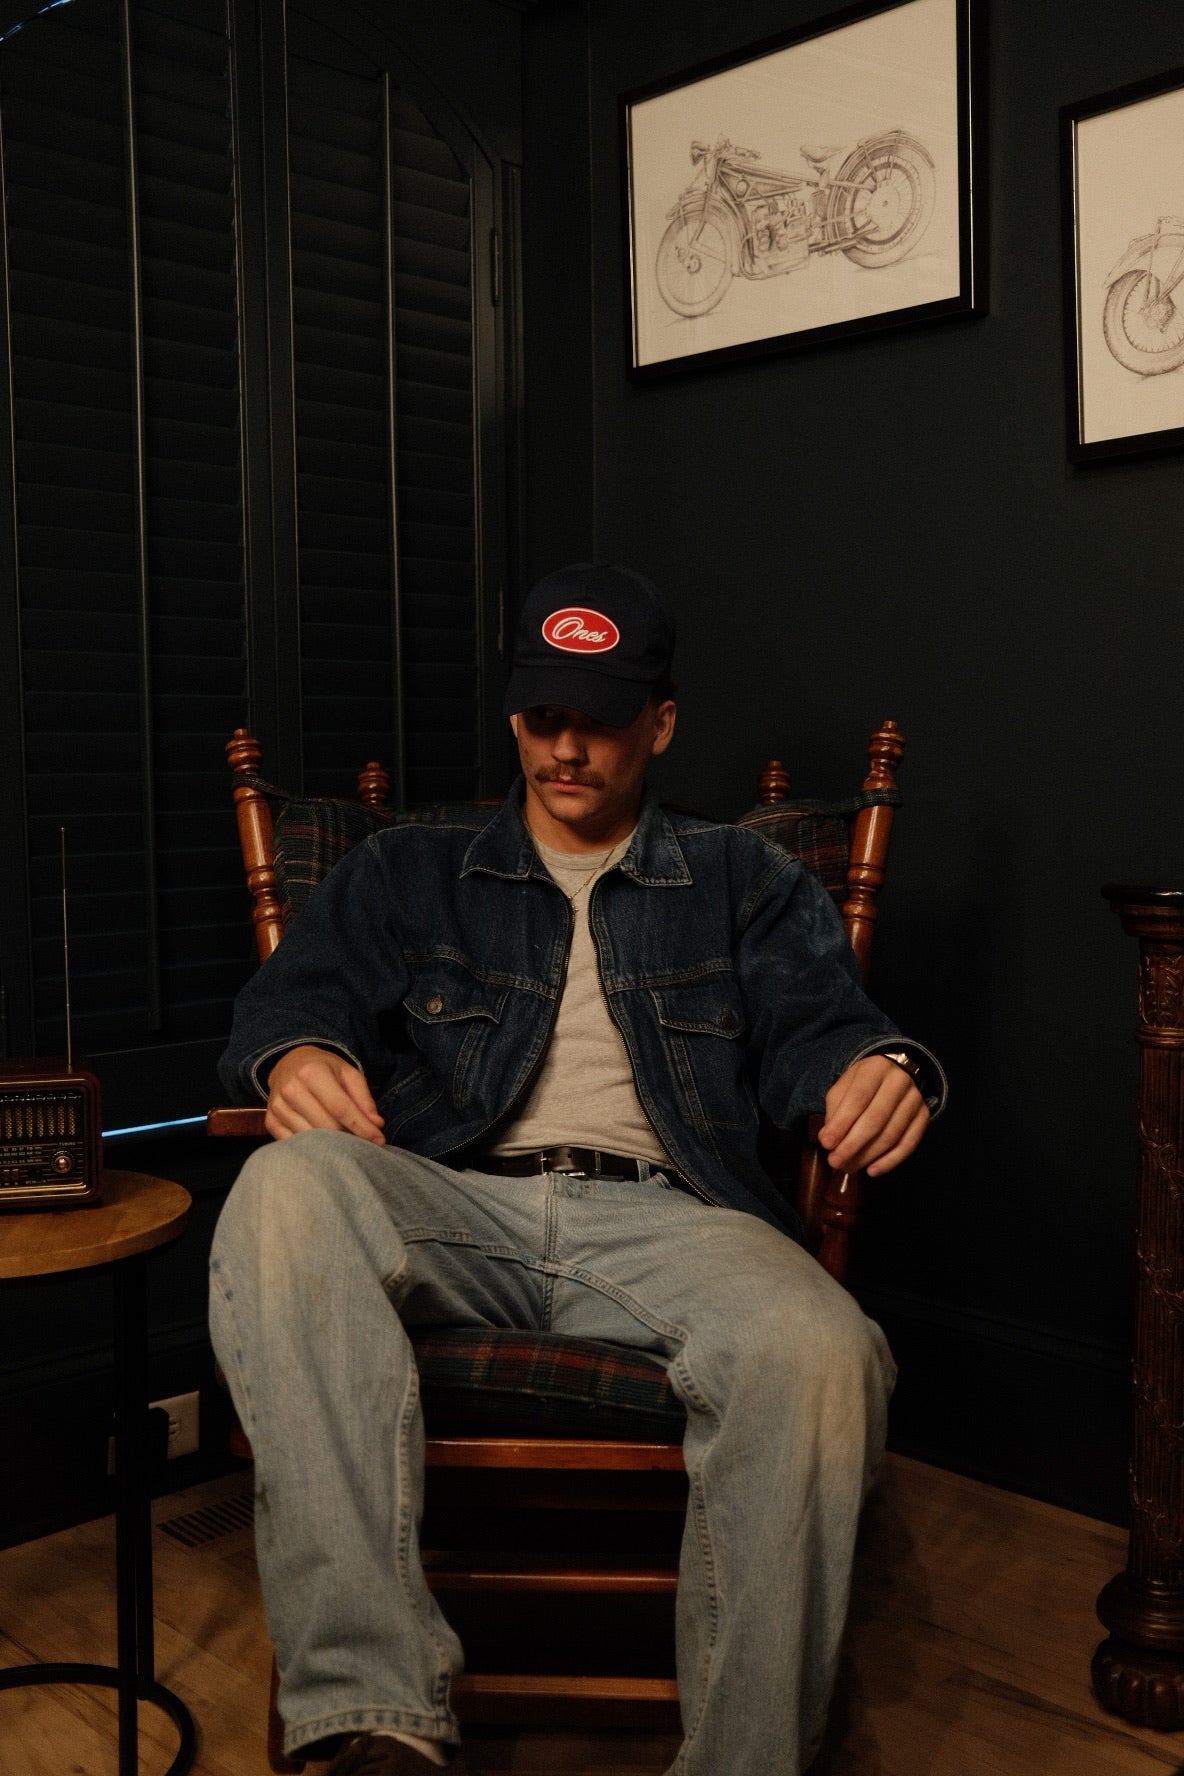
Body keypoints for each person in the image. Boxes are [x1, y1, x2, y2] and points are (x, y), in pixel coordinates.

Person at [210, 562, 945, 1776]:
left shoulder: (739, 877)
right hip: (455, 1201)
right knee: (285, 1190)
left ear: (660, 723)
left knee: (824, 1353)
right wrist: (294, 1054)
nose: (564, 748)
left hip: (673, 1223)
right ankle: (378, 1717)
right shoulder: (411, 866)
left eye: (598, 720)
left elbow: (822, 1029)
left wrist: (879, 1065)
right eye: (541, 714)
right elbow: (290, 1002)